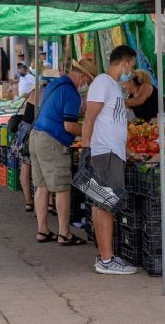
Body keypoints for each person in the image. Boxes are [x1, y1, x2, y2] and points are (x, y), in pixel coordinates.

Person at [82, 45, 138, 275]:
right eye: (131, 66)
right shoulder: (102, 83)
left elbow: (112, 122)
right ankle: (106, 260)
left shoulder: (112, 86)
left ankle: (104, 257)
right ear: (124, 62)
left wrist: (126, 149)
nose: (131, 72)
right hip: (105, 153)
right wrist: (86, 148)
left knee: (101, 203)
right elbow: (89, 117)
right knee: (106, 205)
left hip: (112, 152)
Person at [29, 59, 97, 246]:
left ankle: (42, 230)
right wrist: (88, 130)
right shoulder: (71, 93)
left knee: (41, 186)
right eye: (88, 82)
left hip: (35, 137)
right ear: (83, 77)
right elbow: (69, 126)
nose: (87, 86)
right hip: (52, 141)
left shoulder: (53, 85)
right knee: (62, 188)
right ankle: (64, 233)